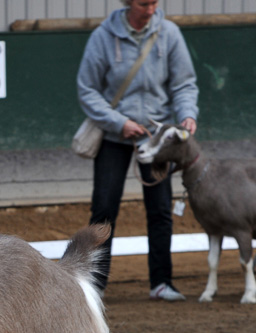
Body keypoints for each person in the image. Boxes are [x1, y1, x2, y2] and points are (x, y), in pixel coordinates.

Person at [76, 0, 198, 300]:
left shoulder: (169, 33)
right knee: (104, 208)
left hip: (157, 138)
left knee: (160, 209)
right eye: (144, 3)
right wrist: (119, 123)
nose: (151, 9)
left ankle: (161, 282)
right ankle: (95, 284)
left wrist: (187, 113)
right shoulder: (103, 36)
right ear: (129, 3)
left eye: (155, 2)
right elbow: (87, 89)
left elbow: (184, 84)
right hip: (114, 136)